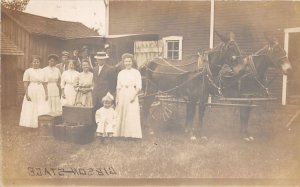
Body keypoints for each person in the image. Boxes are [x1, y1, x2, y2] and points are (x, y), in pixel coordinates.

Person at [114, 53, 142, 138]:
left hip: (131, 93)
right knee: (121, 113)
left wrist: (133, 96)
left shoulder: (136, 72)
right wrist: (117, 97)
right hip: (122, 93)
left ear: (132, 62)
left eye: (129, 61)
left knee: (131, 113)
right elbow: (118, 87)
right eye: (126, 61)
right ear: (123, 62)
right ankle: (120, 134)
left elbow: (139, 86)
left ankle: (132, 135)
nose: (127, 63)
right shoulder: (121, 73)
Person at [19, 55, 49, 128]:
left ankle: (40, 124)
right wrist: (26, 94)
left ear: (40, 63)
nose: (36, 63)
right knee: (31, 106)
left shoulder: (43, 71)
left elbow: (45, 84)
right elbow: (25, 84)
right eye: (34, 62)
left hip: (40, 90)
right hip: (31, 90)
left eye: (37, 62)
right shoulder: (28, 71)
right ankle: (30, 123)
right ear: (31, 63)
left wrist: (46, 94)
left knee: (40, 106)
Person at [92, 51, 117, 116]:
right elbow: (95, 81)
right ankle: (97, 125)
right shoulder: (95, 69)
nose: (100, 61)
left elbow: (113, 83)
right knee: (96, 111)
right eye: (99, 59)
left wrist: (109, 94)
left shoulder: (110, 69)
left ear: (105, 60)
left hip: (105, 94)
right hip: (96, 95)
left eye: (102, 59)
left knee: (105, 112)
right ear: (97, 59)